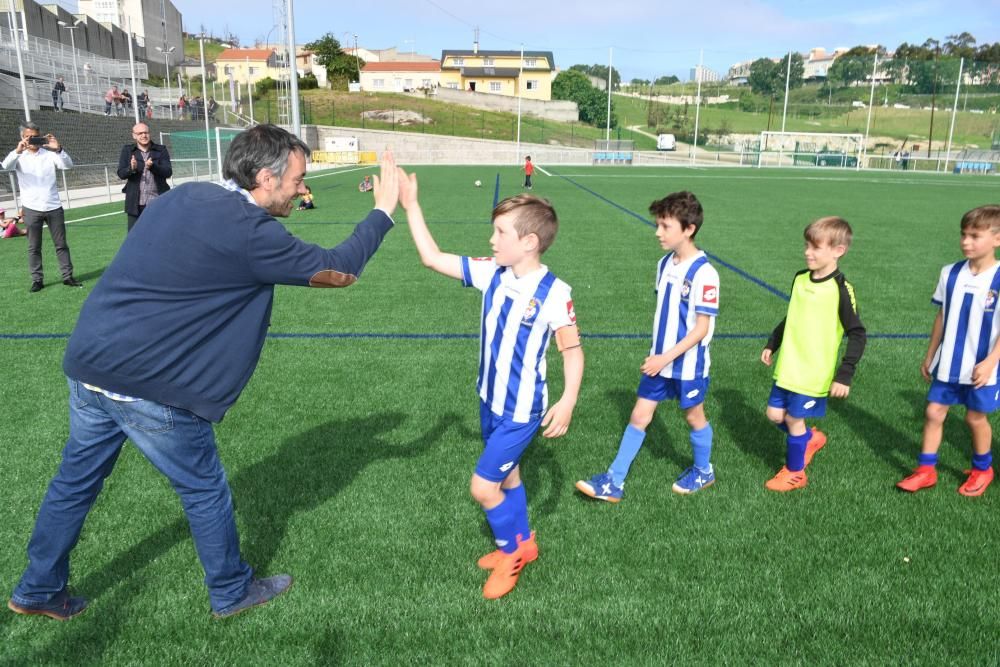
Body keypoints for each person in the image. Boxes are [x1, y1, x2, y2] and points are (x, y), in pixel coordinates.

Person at [6, 124, 404, 621]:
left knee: (75, 482)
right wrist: (384, 210)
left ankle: (38, 589)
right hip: (148, 386)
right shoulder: (251, 231)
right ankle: (232, 590)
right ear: (264, 176)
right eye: (298, 179)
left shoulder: (186, 196)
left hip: (90, 363)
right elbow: (339, 270)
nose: (303, 188)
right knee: (204, 488)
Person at [401, 188, 584, 600]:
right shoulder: (493, 273)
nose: (491, 240)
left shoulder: (555, 293)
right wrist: (412, 205)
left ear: (529, 242)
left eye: (500, 232)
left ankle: (511, 555)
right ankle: (525, 543)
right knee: (511, 475)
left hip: (521, 412)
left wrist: (568, 399)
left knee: (483, 488)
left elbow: (572, 350)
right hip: (488, 398)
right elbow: (433, 258)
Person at [576, 191, 720, 501]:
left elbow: (701, 328)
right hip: (659, 362)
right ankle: (614, 481)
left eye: (665, 226)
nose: (658, 232)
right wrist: (659, 356)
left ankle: (704, 470)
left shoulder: (705, 274)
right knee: (639, 417)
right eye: (658, 225)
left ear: (689, 229)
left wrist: (665, 357)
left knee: (694, 416)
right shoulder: (664, 264)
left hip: (687, 365)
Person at [897, 205, 1000, 497]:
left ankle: (983, 469)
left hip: (982, 365)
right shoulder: (950, 273)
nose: (966, 241)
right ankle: (925, 470)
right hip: (949, 362)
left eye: (975, 236)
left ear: (997, 239)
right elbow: (942, 315)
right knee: (933, 412)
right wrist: (931, 354)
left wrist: (992, 361)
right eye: (963, 235)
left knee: (974, 418)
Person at [760, 217, 866, 491]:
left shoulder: (841, 289)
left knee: (793, 418)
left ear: (838, 251)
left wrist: (845, 374)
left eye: (816, 247)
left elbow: (857, 333)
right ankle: (809, 439)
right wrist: (773, 342)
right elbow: (792, 315)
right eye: (807, 245)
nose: (808, 252)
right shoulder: (799, 278)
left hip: (814, 372)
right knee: (774, 416)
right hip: (788, 367)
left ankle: (795, 472)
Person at [1, 122, 82, 291]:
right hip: (31, 208)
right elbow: (5, 166)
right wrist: (18, 150)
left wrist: (58, 148)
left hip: (53, 207)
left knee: (61, 245)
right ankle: (37, 280)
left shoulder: (50, 154)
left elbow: (67, 165)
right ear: (23, 137)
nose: (32, 140)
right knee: (33, 247)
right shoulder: (18, 156)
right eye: (29, 136)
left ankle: (68, 277)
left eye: (36, 136)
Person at [117, 122, 173, 231]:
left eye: (146, 132)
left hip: (157, 202)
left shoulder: (161, 150)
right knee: (134, 238)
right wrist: (131, 169)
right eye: (140, 133)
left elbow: (168, 172)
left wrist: (153, 167)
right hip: (135, 204)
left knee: (159, 235)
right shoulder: (127, 150)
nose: (144, 135)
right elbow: (121, 173)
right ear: (134, 135)